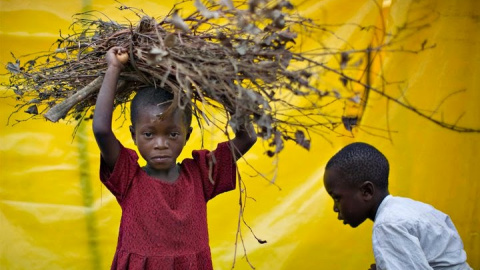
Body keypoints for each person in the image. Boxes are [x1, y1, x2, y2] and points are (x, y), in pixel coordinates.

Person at [93, 46, 257, 269]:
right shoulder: (128, 177)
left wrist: (218, 80)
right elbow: (102, 130)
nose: (161, 144)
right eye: (149, 134)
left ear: (187, 135)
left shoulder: (201, 174)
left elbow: (247, 137)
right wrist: (114, 67)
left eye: (172, 134)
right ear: (134, 135)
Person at [323, 142, 472, 270]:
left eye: (337, 198)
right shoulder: (411, 208)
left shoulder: (387, 225)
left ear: (367, 192)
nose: (335, 208)